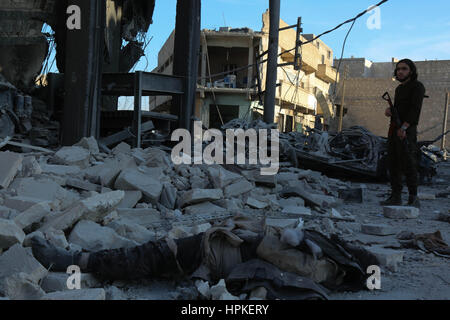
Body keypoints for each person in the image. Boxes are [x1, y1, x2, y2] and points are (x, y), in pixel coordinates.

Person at [380, 59, 426, 208]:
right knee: (393, 162)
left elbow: (415, 110)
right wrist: (390, 112)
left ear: (411, 71)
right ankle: (396, 196)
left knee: (408, 162)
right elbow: (399, 110)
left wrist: (404, 128)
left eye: (404, 69)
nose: (400, 71)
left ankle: (413, 197)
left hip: (407, 130)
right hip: (395, 129)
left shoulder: (417, 87)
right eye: (398, 69)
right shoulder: (399, 89)